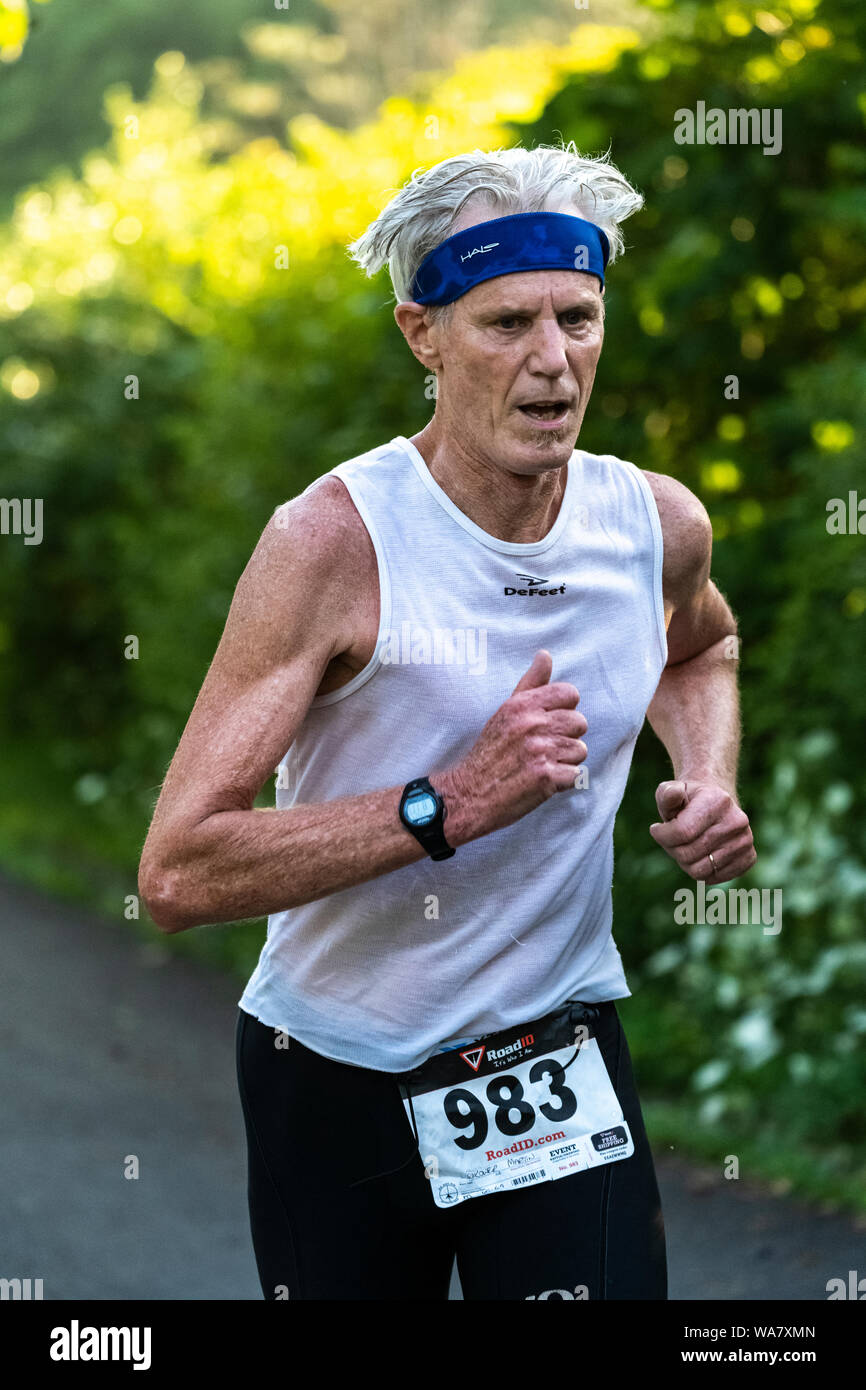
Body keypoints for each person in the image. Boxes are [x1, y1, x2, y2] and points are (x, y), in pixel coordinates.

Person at [138, 141, 757, 1301]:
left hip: (553, 1045)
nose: (551, 363)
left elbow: (703, 645)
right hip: (336, 1064)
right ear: (420, 334)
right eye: (504, 322)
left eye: (576, 319)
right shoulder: (332, 544)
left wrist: (706, 774)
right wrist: (449, 803)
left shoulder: (652, 526)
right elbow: (176, 871)